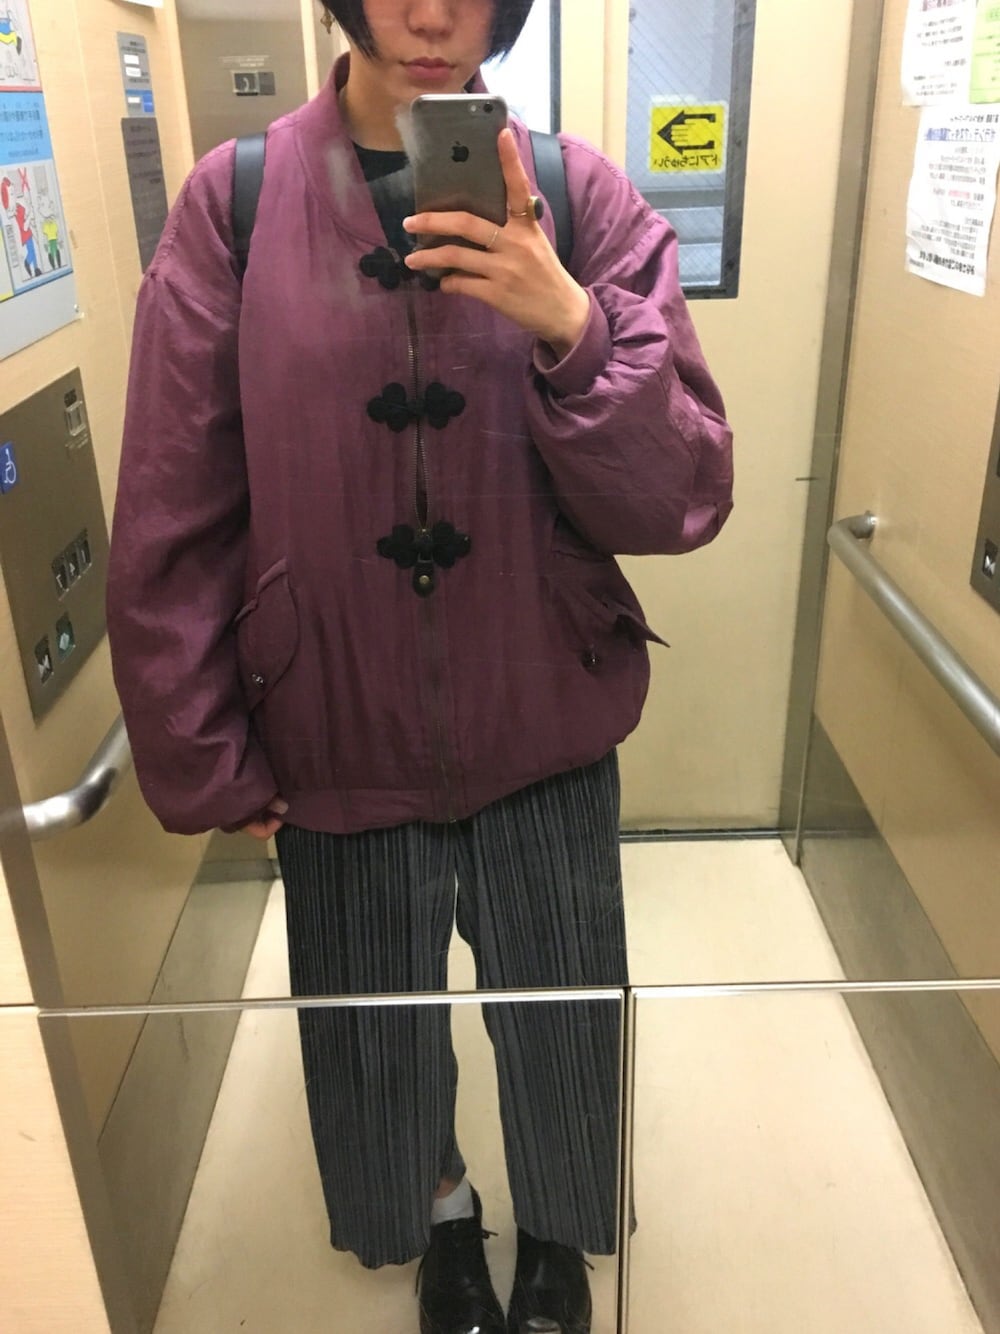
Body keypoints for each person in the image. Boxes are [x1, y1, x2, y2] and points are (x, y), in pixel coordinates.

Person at [106, 2, 734, 1331]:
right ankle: (443, 1210)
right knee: (374, 1039)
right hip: (330, 717)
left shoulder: (581, 197)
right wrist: (203, 742)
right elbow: (173, 492)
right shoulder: (236, 204)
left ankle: (556, 1235)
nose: (436, 14)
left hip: (542, 710)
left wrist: (572, 325)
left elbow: (683, 490)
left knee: (565, 1018)